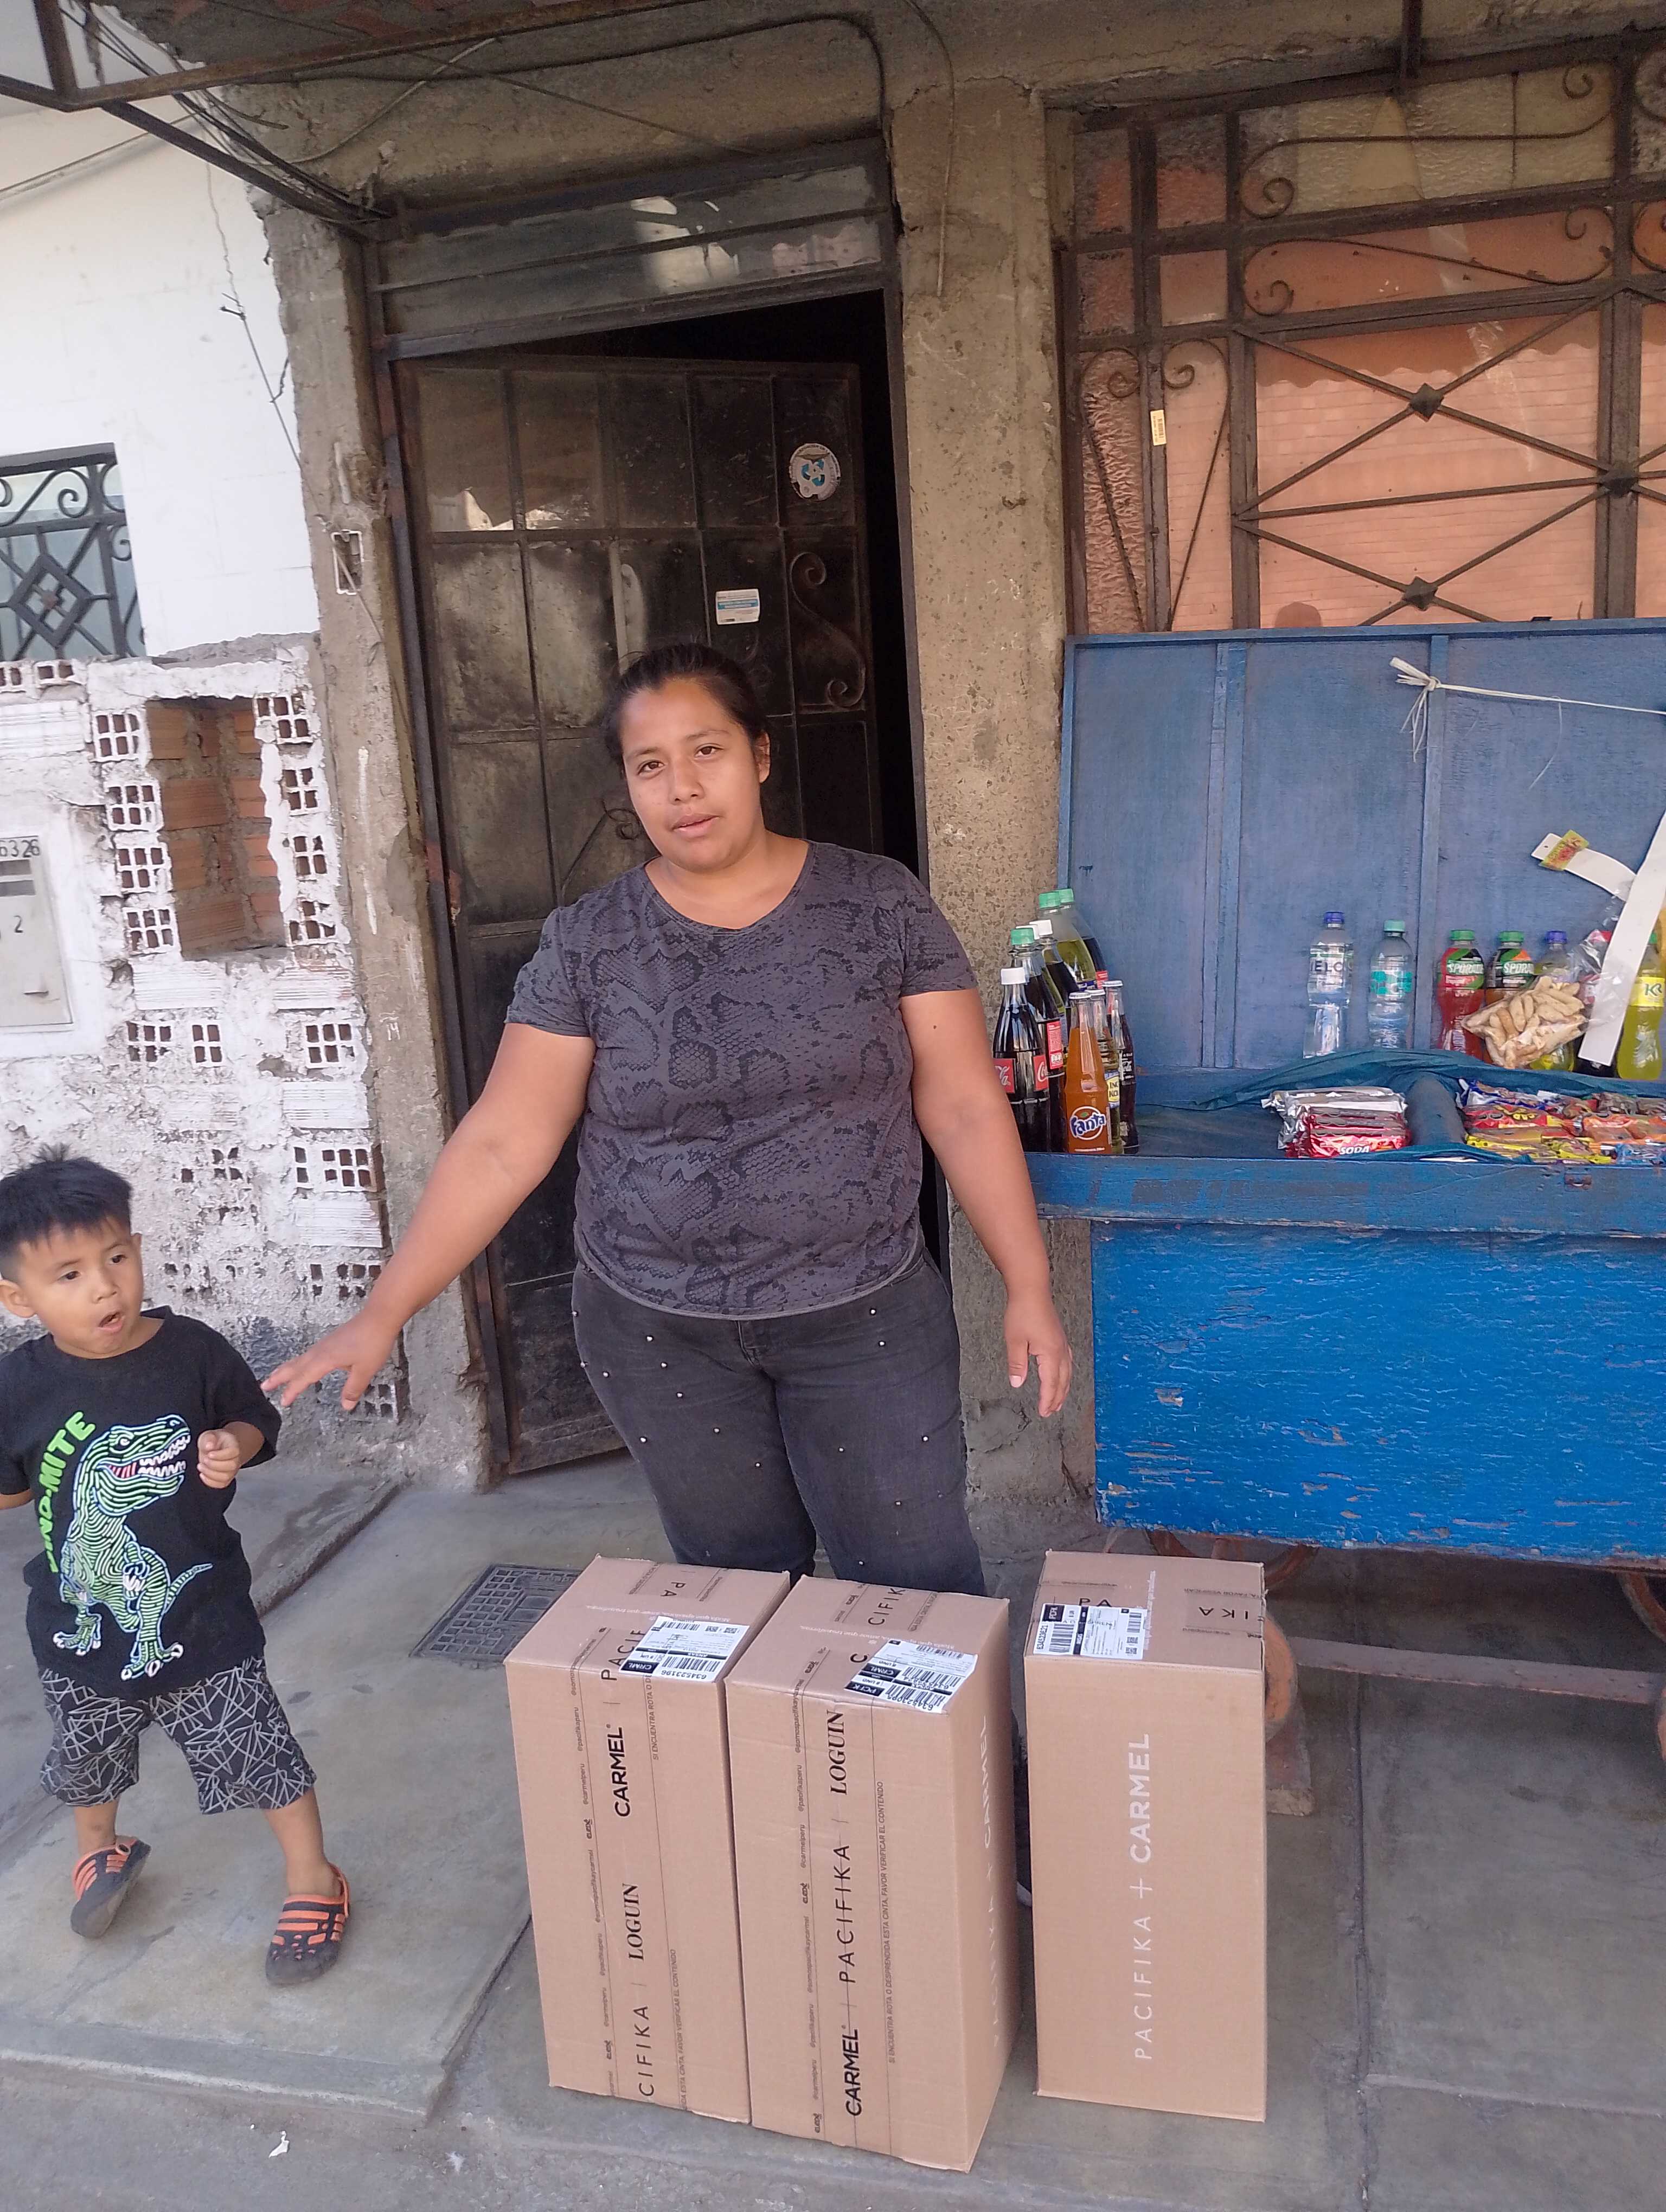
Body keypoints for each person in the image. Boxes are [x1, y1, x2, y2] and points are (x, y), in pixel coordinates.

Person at [267, 640, 1071, 1596]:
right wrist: (383, 1314)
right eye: (650, 766)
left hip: (863, 1315)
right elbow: (503, 1143)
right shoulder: (589, 944)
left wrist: (1028, 1283)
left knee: (916, 1587)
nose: (682, 788)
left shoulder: (878, 905)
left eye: (707, 752)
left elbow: (964, 1105)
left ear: (760, 755)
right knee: (739, 1589)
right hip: (658, 1331)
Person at [0, 1150, 348, 1983]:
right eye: (70, 1275)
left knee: (257, 1748)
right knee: (89, 1756)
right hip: (80, 1620)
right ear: (17, 1298)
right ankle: (101, 1851)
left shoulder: (191, 1350)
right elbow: (12, 1491)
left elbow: (253, 1419)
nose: (105, 1288)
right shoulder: (17, 1387)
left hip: (204, 1617)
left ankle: (314, 1878)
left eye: (118, 1257)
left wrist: (233, 1444)